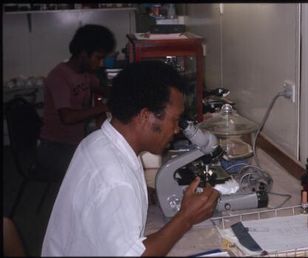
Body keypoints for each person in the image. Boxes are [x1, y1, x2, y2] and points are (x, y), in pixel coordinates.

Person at [41, 61, 220, 256]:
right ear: (145, 116)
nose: (177, 130)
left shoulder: (98, 141)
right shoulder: (115, 178)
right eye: (174, 120)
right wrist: (186, 217)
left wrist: (146, 195)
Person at [37, 24, 116, 181]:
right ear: (83, 54)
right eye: (98, 57)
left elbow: (99, 88)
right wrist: (104, 107)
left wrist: (122, 93)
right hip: (56, 149)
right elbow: (67, 117)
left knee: (110, 156)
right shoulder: (59, 76)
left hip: (75, 143)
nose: (100, 63)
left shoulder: (83, 73)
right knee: (103, 172)